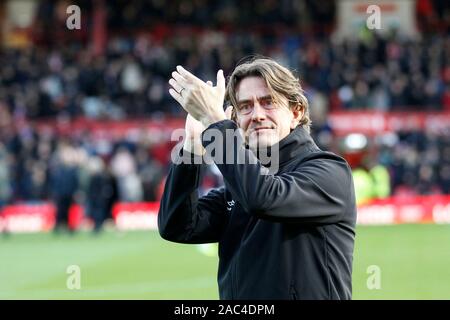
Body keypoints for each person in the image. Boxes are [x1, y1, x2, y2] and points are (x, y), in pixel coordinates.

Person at [159, 57, 357, 299]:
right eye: (245, 107)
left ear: (296, 113)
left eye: (268, 102)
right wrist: (192, 147)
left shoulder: (329, 171)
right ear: (236, 120)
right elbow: (177, 226)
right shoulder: (239, 188)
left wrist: (214, 121)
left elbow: (263, 197)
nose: (257, 115)